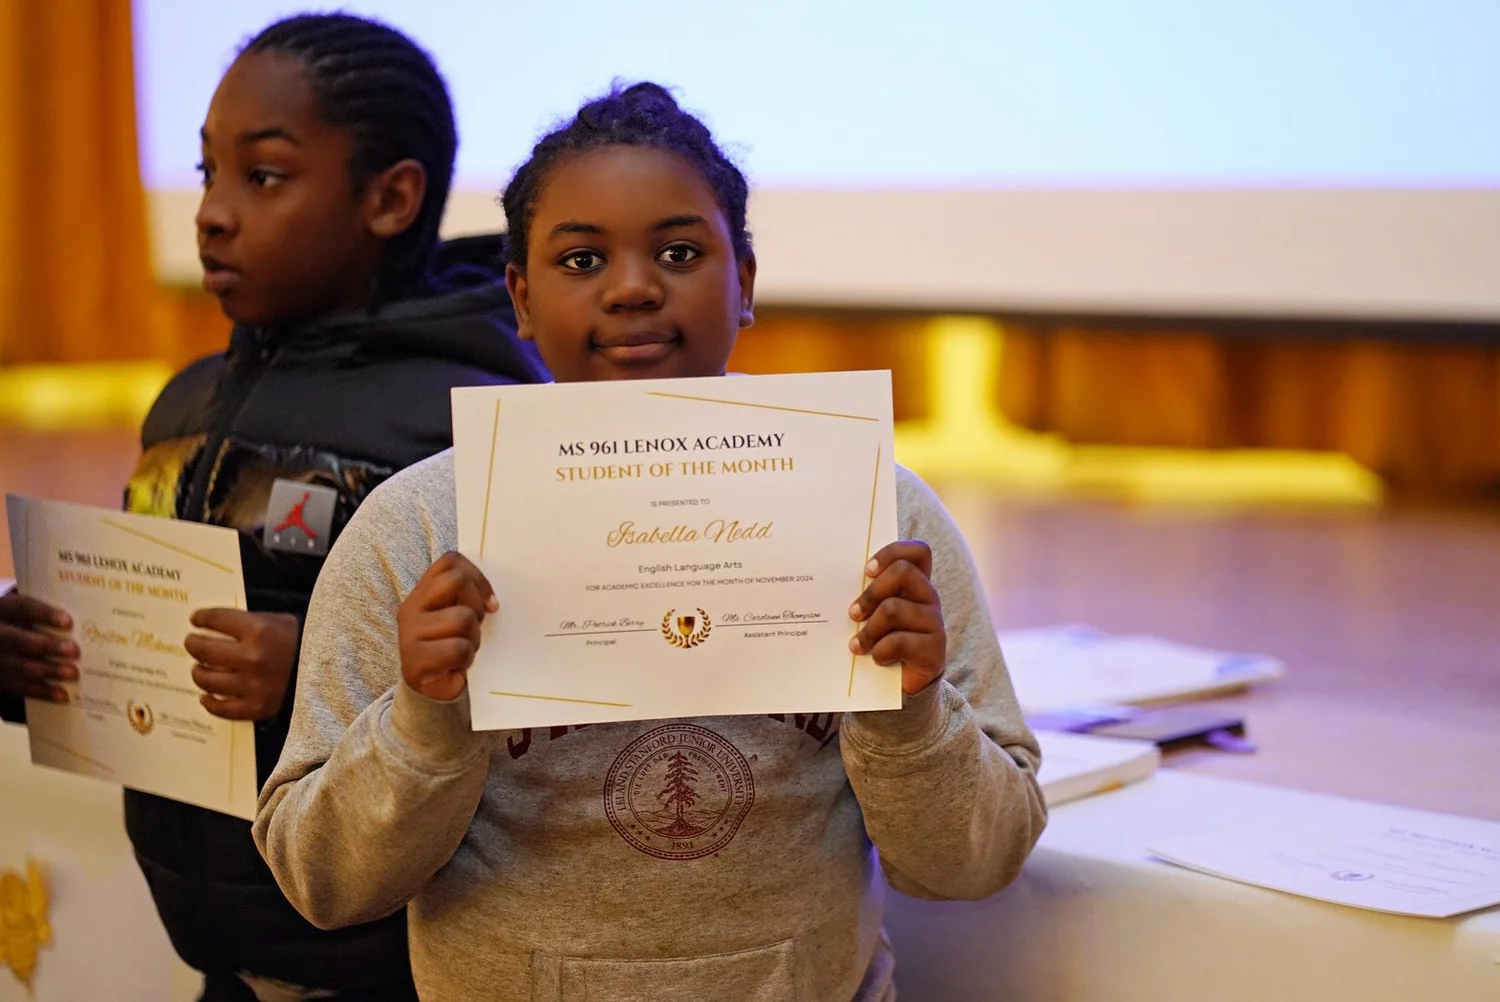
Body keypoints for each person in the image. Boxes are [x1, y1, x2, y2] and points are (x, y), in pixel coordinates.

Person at [254, 82, 1046, 1001]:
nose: (632, 288)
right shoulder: (417, 531)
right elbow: (322, 882)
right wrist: (425, 716)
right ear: (519, 296)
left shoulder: (881, 514)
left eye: (678, 251)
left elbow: (977, 863)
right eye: (582, 259)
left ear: (743, 280)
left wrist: (911, 709)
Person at [0, 13, 544, 1001]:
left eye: (263, 177)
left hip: (398, 968)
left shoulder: (473, 423)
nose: (211, 212)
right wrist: (35, 663)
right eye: (207, 174)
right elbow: (146, 653)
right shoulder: (186, 400)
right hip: (222, 955)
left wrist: (315, 669)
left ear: (390, 198)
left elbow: (543, 708)